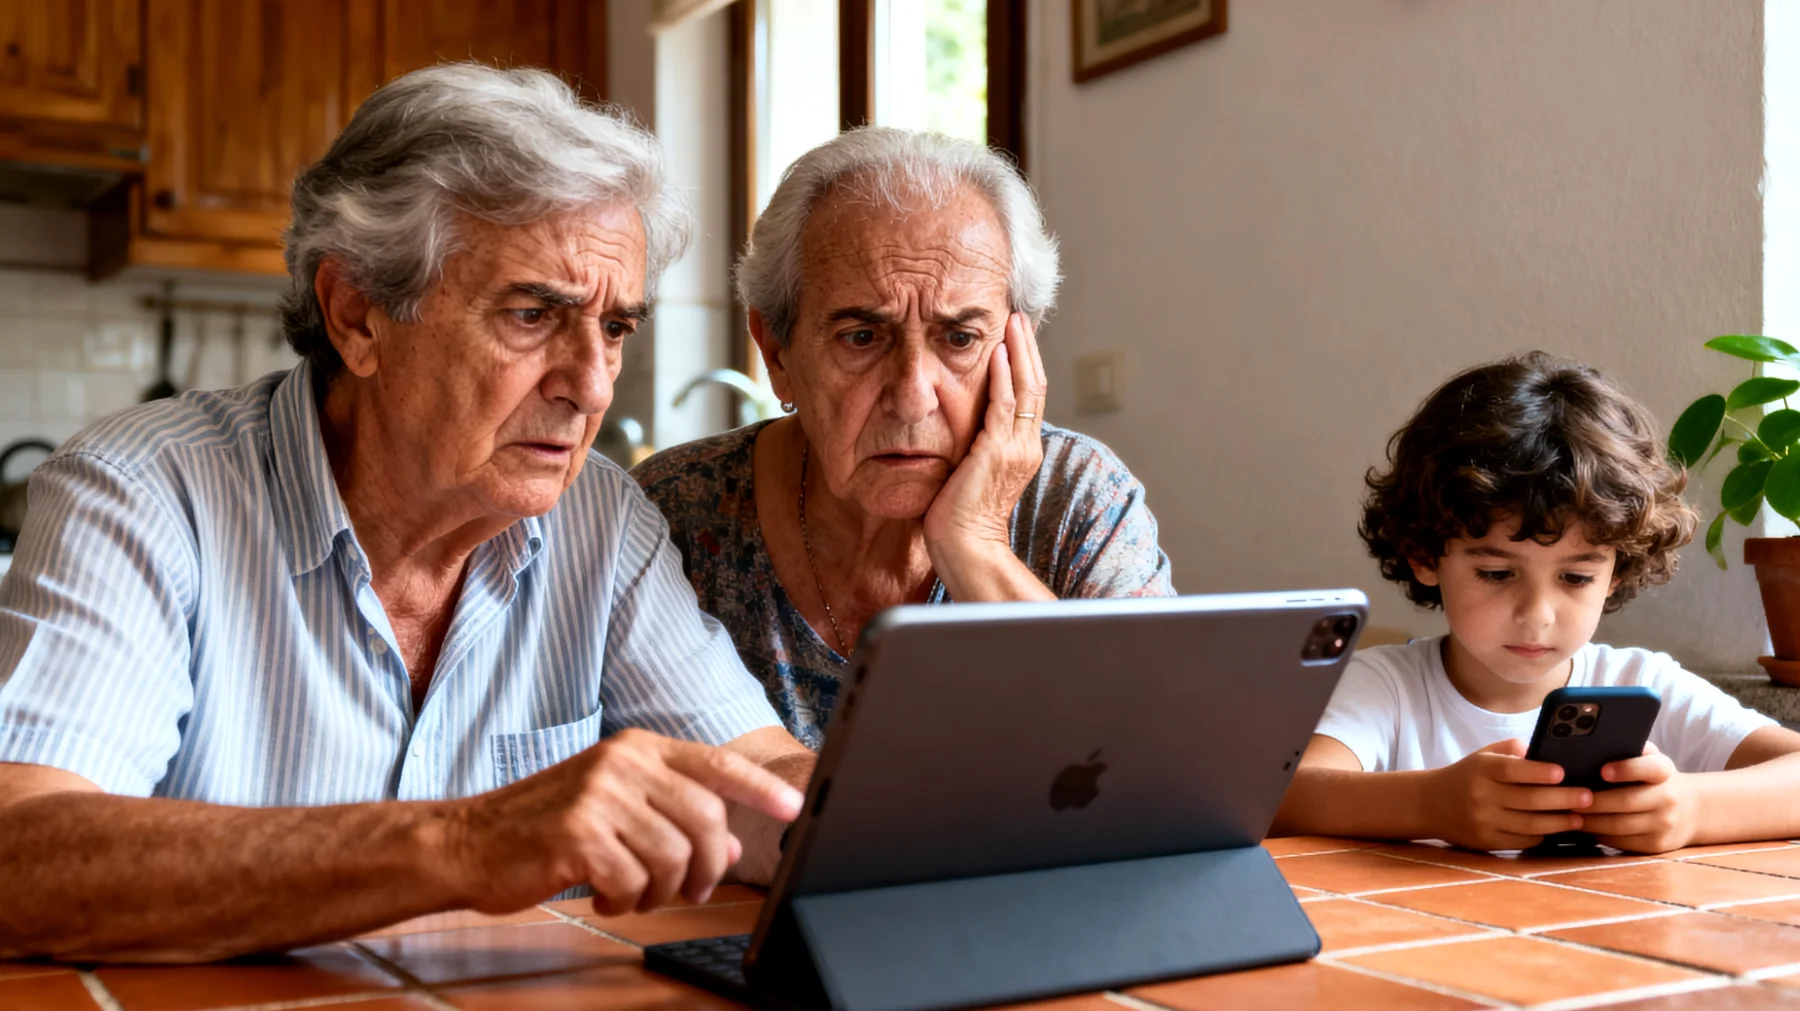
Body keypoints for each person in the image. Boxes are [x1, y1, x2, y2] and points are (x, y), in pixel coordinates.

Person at [0, 64, 813, 963]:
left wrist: (881, 810)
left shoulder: (601, 522)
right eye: (535, 313)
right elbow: (20, 859)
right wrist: (468, 841)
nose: (590, 385)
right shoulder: (145, 495)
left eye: (615, 327)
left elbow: (762, 782)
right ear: (357, 314)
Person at [633, 128, 1174, 749]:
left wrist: (977, 547)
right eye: (862, 337)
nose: (913, 395)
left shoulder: (1076, 496)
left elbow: (1161, 756)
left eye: (960, 338)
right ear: (777, 351)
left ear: (1019, 349)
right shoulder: (669, 514)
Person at [1272, 352, 1800, 853]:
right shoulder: (1383, 688)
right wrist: (1430, 806)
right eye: (1497, 573)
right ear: (1423, 554)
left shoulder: (1645, 685)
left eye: (1574, 577)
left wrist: (1693, 809)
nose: (1537, 613)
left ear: (1617, 570)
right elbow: (1279, 798)